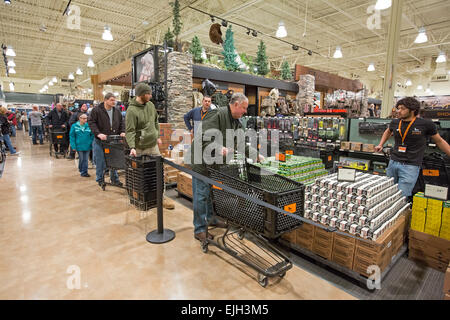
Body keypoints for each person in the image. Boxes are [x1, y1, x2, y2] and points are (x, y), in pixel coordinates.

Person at [189, 93, 263, 241]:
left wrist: (256, 155)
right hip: (202, 162)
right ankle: (199, 229)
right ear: (236, 104)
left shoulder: (236, 122)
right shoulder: (217, 114)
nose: (245, 111)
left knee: (210, 193)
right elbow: (203, 137)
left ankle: (210, 219)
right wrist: (217, 147)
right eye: (244, 108)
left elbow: (241, 143)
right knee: (201, 196)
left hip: (214, 163)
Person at [375, 97, 450, 199]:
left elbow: (439, 141)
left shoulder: (426, 124)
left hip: (410, 166)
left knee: (402, 196)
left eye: (402, 109)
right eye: (398, 108)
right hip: (393, 162)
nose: (398, 111)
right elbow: (388, 131)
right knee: (388, 192)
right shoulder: (395, 122)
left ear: (413, 110)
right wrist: (380, 144)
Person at [125, 83, 175, 210]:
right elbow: (130, 130)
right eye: (148, 93)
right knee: (140, 174)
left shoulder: (151, 105)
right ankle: (142, 199)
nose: (151, 95)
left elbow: (155, 122)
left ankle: (161, 197)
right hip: (139, 147)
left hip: (153, 146)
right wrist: (132, 147)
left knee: (158, 172)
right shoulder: (131, 110)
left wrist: (157, 136)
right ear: (141, 94)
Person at [88, 92, 125, 187]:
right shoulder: (96, 110)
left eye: (115, 100)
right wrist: (98, 133)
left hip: (113, 140)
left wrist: (122, 131)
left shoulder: (117, 111)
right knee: (100, 161)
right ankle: (100, 179)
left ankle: (114, 179)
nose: (114, 102)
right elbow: (91, 123)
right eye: (112, 100)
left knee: (114, 160)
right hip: (100, 141)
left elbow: (122, 123)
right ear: (105, 100)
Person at [70, 113, 94, 177]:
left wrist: (91, 142)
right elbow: (72, 136)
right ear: (79, 118)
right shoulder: (74, 126)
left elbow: (92, 135)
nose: (85, 120)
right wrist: (73, 146)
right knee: (81, 159)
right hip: (79, 145)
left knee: (85, 159)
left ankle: (84, 172)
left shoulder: (89, 126)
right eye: (83, 118)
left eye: (86, 118)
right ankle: (81, 169)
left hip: (87, 145)